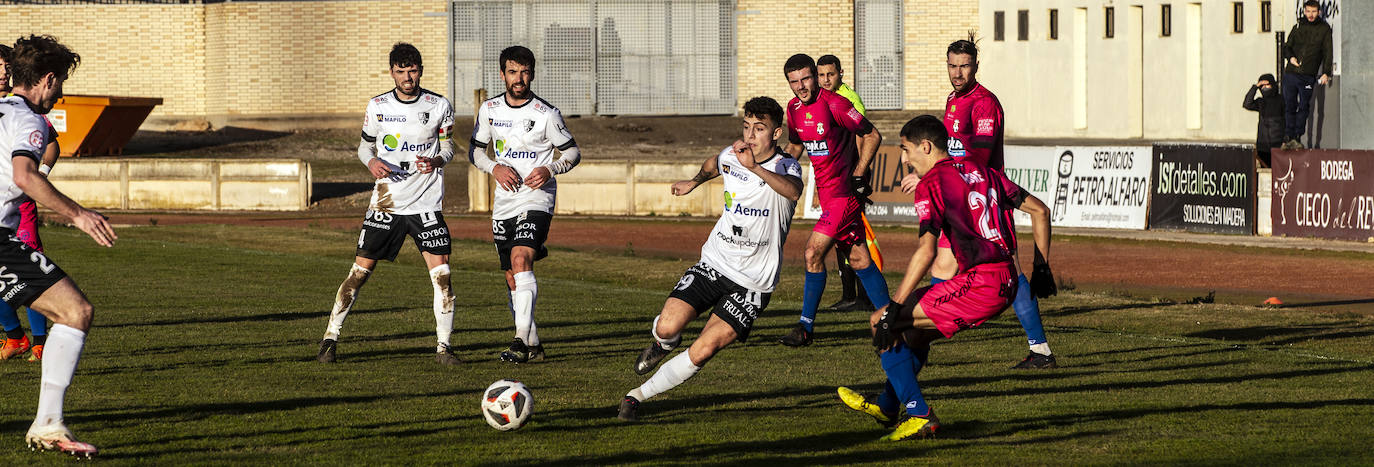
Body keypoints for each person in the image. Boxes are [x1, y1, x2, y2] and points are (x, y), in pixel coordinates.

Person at [838, 115, 1054, 441]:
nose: (906, 160)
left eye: (908, 151)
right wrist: (1041, 267)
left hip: (983, 284)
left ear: (925, 146)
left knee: (880, 321)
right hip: (1005, 277)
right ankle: (886, 405)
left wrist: (893, 306)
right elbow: (1040, 210)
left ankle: (920, 414)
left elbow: (925, 252)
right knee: (916, 336)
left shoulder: (932, 184)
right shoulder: (983, 172)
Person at [618, 96, 802, 421]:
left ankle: (636, 397)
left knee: (705, 349)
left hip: (753, 283)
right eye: (747, 127)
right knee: (666, 326)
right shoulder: (732, 155)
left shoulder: (785, 165)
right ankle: (662, 345)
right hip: (714, 263)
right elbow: (712, 164)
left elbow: (793, 191)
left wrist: (754, 168)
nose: (750, 135)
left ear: (776, 133)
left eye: (759, 129)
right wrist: (694, 182)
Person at [4, 34, 117, 458]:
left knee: (71, 311)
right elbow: (26, 177)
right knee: (76, 312)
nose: (61, 92)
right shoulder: (30, 121)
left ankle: (49, 423)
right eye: (61, 82)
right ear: (48, 79)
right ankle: (48, 424)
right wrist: (80, 215)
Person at [316, 43, 459, 365]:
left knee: (443, 276)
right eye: (401, 71)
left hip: (426, 205)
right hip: (386, 204)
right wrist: (371, 164)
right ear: (392, 72)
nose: (407, 77)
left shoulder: (439, 105)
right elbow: (364, 148)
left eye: (412, 70)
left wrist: (437, 159)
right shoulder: (377, 106)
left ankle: (444, 348)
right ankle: (330, 338)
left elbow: (450, 148)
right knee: (359, 273)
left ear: (420, 70)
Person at [918, 39, 1057, 369]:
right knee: (943, 264)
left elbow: (979, 158)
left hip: (986, 197)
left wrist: (943, 174)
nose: (958, 72)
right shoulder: (953, 100)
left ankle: (1040, 350)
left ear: (976, 66)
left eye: (964, 65)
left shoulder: (984, 104)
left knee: (1009, 268)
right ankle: (921, 329)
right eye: (952, 65)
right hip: (961, 195)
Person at [468, 45, 581, 363]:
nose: (519, 78)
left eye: (525, 72)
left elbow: (572, 152)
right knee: (511, 274)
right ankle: (533, 347)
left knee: (520, 259)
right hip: (504, 203)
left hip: (537, 198)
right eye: (513, 72)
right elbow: (476, 151)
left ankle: (518, 341)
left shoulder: (546, 114)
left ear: (532, 74)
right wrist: (494, 167)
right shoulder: (489, 110)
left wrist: (550, 168)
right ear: (502, 74)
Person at [778, 53, 889, 347]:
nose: (801, 86)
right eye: (794, 81)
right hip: (827, 197)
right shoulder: (793, 108)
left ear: (815, 76)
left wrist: (858, 174)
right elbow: (796, 145)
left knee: (813, 252)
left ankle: (805, 327)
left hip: (844, 195)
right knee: (858, 258)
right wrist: (775, 172)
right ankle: (892, 319)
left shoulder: (836, 104)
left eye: (805, 78)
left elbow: (873, 134)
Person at [0, 43, 55, 362]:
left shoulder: (22, 109)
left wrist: (41, 176)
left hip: (19, 205)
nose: (4, 72)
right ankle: (14, 336)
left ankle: (39, 341)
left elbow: (51, 145)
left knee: (29, 269)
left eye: (7, 66)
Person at [815, 54, 876, 312]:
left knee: (852, 235)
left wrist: (858, 174)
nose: (826, 79)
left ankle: (862, 296)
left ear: (841, 73)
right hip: (835, 178)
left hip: (850, 177)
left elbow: (864, 136)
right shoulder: (822, 100)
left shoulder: (848, 100)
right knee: (843, 237)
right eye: (821, 75)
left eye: (831, 74)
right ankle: (850, 295)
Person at [1280, 0, 1333, 150]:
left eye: (1314, 11)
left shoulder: (1324, 29)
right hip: (1291, 73)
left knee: (1303, 106)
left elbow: (1328, 52)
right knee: (1290, 105)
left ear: (1319, 12)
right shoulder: (1298, 26)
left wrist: (1326, 72)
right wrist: (1290, 57)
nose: (1311, 15)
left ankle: (1297, 137)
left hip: (1308, 75)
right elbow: (1287, 47)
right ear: (1304, 11)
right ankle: (1288, 137)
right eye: (1308, 11)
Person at [1242, 73, 1283, 168]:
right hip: (1263, 145)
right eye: (1262, 86)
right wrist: (1255, 87)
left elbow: (1287, 119)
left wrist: (1286, 139)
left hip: (1278, 145)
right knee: (1264, 172)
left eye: (1267, 84)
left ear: (1273, 84)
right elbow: (1247, 104)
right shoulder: (1261, 102)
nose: (1264, 87)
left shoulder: (1281, 100)